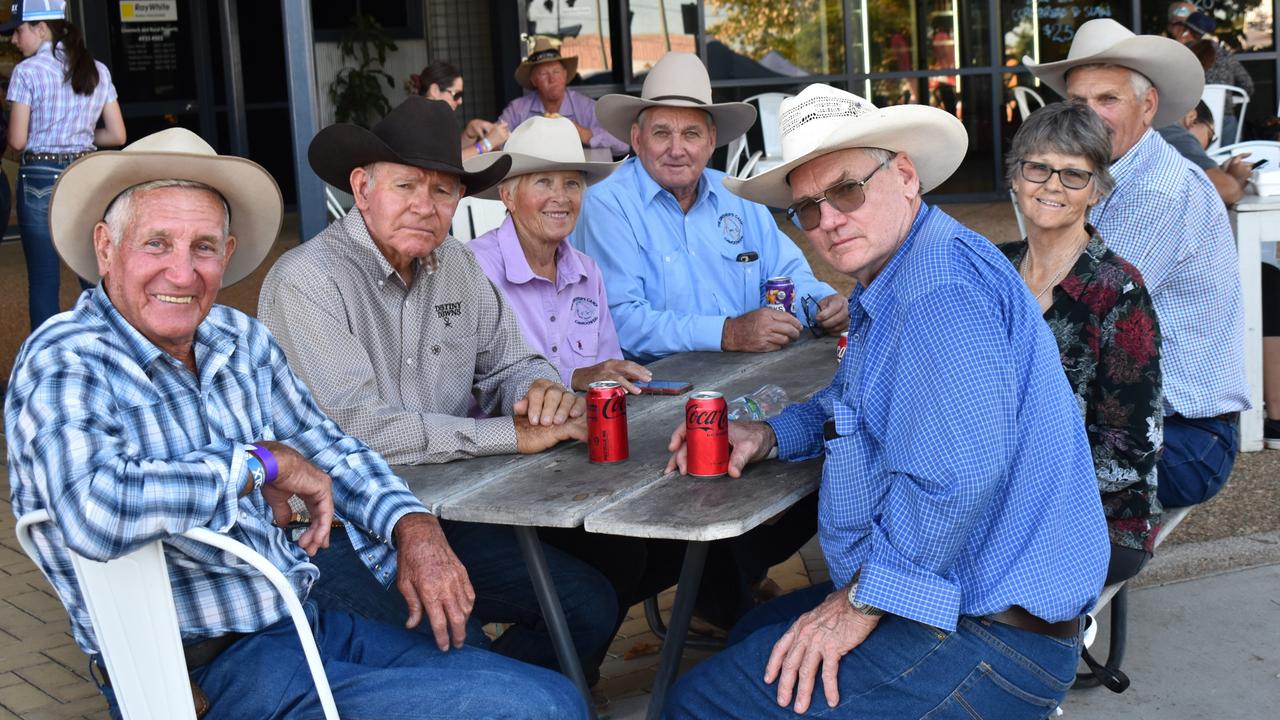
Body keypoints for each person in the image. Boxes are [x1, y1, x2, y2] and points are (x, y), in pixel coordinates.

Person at [5, 127, 587, 719]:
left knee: (551, 689)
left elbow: (330, 446)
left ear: (226, 255)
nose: (181, 273)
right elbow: (92, 511)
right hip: (200, 670)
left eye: (203, 247)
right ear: (106, 248)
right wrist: (258, 465)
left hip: (300, 620)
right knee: (531, 709)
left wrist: (411, 524)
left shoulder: (236, 339)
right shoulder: (68, 356)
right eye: (157, 243)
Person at [662, 83, 1109, 718]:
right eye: (808, 209)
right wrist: (766, 434)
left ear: (903, 174)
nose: (829, 220)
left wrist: (857, 603)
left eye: (846, 190)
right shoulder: (909, 270)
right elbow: (855, 401)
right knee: (749, 639)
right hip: (978, 605)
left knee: (700, 701)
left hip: (990, 634)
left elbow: (952, 482)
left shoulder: (936, 294)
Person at [257, 96, 617, 679]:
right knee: (467, 654)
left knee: (586, 607)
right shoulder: (307, 281)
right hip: (332, 532)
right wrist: (511, 433)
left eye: (443, 191)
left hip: (444, 507)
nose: (425, 207)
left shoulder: (454, 264)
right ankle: (487, 695)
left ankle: (503, 698)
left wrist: (539, 388)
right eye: (406, 186)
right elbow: (355, 429)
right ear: (362, 187)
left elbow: (510, 361)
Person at [1026, 18, 1250, 509]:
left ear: (1148, 107)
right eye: (1078, 104)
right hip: (1122, 418)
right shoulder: (1097, 174)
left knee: (1006, 472)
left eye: (1108, 100)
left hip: (1186, 439)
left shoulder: (1159, 192)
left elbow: (1069, 306)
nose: (1090, 117)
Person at [572, 51, 848, 364]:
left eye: (691, 134)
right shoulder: (607, 204)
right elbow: (622, 323)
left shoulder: (738, 195)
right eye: (662, 133)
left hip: (750, 372)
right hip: (652, 390)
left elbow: (785, 275)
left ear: (711, 140)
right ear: (637, 139)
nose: (677, 150)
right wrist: (728, 333)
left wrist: (820, 304)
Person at [1004, 102, 1163, 585]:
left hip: (1099, 522)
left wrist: (1010, 493)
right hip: (995, 502)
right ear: (1016, 178)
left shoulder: (1119, 292)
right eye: (1038, 169)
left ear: (1096, 192)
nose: (1052, 185)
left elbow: (1129, 448)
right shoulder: (994, 272)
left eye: (1074, 175)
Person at [3, 0, 125, 331]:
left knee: (44, 280)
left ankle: (48, 362)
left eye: (18, 30)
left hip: (39, 178)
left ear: (41, 28)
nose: (14, 40)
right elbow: (117, 133)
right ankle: (105, 351)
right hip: (84, 176)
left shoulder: (27, 72)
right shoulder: (97, 69)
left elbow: (17, 140)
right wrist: (79, 134)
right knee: (91, 275)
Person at [499, 37, 628, 157]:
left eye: (556, 72)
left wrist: (587, 134)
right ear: (533, 81)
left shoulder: (585, 106)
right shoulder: (517, 109)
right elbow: (496, 143)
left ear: (565, 75)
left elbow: (623, 145)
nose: (552, 79)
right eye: (543, 74)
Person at [410, 59, 511, 161]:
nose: (460, 101)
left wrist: (469, 133)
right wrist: (488, 143)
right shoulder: (421, 120)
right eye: (456, 94)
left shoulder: (428, 115)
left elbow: (452, 152)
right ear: (434, 90)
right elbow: (447, 161)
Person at [1158, 100, 1253, 205]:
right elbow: (1228, 191)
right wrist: (1237, 179)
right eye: (1210, 136)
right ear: (1191, 118)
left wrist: (1219, 173)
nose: (1206, 149)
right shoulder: (1176, 134)